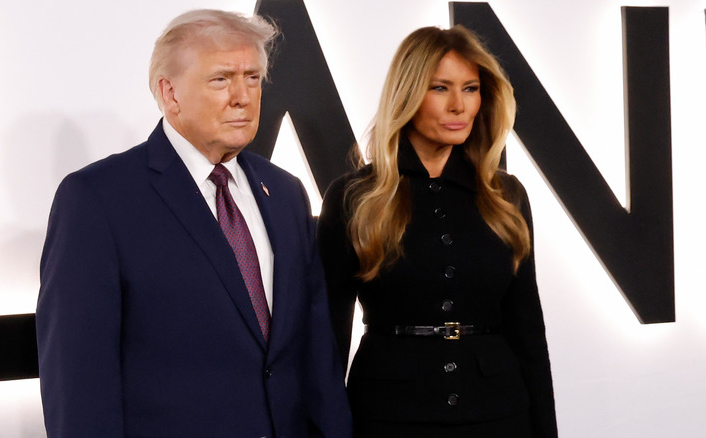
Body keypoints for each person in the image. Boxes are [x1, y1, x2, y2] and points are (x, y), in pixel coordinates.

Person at [36, 9, 351, 438]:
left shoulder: (286, 194)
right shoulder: (98, 199)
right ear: (170, 94)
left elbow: (316, 350)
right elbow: (79, 376)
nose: (243, 96)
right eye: (221, 79)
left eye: (253, 78)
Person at [317, 25, 557, 438]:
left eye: (471, 88)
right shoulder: (355, 196)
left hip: (498, 415)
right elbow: (327, 340)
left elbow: (528, 333)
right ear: (408, 93)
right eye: (440, 88)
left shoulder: (506, 196)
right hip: (388, 416)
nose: (459, 106)